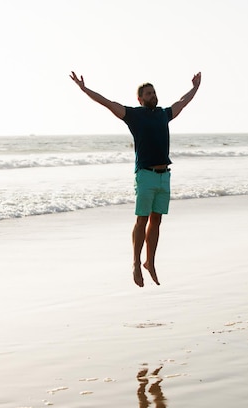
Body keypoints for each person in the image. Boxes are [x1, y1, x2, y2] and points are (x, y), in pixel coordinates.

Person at [70, 70, 201, 287]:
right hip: (146, 175)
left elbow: (182, 102)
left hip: (164, 176)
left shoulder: (163, 114)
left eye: (154, 93)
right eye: (148, 94)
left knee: (156, 220)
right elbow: (107, 103)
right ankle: (136, 263)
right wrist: (84, 89)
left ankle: (150, 262)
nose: (153, 96)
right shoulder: (134, 116)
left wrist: (195, 88)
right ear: (140, 99)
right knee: (142, 219)